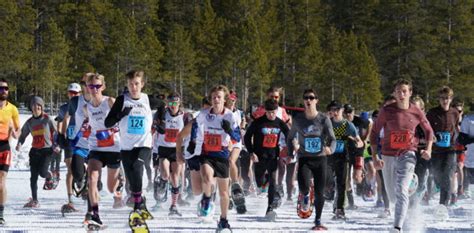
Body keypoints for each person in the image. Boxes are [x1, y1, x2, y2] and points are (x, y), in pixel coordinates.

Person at [370, 79, 434, 233]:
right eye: (398, 91)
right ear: (394, 93)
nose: (401, 94)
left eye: (404, 91)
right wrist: (374, 157)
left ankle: (397, 227)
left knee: (401, 190)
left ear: (410, 93)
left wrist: (429, 149)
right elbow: (374, 133)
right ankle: (411, 183)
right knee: (393, 197)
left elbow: (429, 131)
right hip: (388, 155)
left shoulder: (415, 111)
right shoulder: (387, 111)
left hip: (408, 153)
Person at [104, 70, 164, 228]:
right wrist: (120, 115)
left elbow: (163, 104)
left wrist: (161, 122)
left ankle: (137, 209)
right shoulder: (121, 100)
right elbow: (107, 123)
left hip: (144, 145)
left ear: (142, 84)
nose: (133, 87)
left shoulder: (147, 99)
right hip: (126, 147)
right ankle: (141, 204)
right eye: (130, 84)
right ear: (127, 85)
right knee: (131, 181)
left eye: (136, 83)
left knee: (138, 167)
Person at [287, 89, 336, 231]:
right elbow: (290, 137)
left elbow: (332, 138)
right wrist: (291, 153)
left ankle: (318, 220)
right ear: (303, 101)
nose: (308, 100)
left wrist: (330, 149)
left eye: (311, 98)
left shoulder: (323, 119)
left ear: (316, 100)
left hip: (320, 158)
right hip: (304, 158)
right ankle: (306, 195)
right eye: (306, 98)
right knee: (303, 186)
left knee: (321, 192)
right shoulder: (298, 119)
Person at [194, 85, 241, 231]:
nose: (216, 100)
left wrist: (229, 130)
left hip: (222, 155)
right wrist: (192, 141)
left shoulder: (230, 116)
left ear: (224, 99)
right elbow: (196, 124)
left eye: (219, 97)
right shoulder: (204, 113)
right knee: (207, 178)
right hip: (207, 154)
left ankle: (223, 220)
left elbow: (238, 137)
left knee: (223, 192)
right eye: (213, 97)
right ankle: (207, 199)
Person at [83, 74, 123, 228]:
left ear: (103, 87)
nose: (94, 89)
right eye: (91, 86)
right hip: (96, 147)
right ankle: (95, 214)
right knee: (92, 178)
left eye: (97, 86)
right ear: (87, 87)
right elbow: (88, 126)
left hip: (113, 147)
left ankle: (119, 185)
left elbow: (121, 121)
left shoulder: (110, 101)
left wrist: (112, 130)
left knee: (110, 187)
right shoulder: (87, 108)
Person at [244, 99, 289, 219]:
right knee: (260, 182)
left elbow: (289, 135)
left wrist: (289, 150)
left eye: (273, 112)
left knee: (273, 181)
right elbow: (247, 137)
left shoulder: (280, 123)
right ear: (265, 111)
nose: (271, 115)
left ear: (276, 111)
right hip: (259, 156)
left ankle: (270, 208)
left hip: (273, 156)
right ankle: (266, 181)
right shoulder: (258, 122)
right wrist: (251, 152)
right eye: (268, 112)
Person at [154, 93, 192, 215]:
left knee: (175, 177)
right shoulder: (162, 114)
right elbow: (154, 130)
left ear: (179, 103)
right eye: (170, 103)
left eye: (175, 103)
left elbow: (189, 134)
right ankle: (162, 185)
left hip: (177, 149)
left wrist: (188, 149)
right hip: (164, 148)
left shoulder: (185, 116)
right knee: (165, 174)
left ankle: (173, 205)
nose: (173, 106)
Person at [16, 96, 56, 208]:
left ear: (42, 107)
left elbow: (57, 133)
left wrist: (57, 145)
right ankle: (35, 200)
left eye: (38, 105)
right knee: (33, 177)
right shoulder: (29, 122)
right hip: (34, 151)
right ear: (31, 108)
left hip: (46, 150)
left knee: (42, 173)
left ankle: (49, 175)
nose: (36, 107)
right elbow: (23, 135)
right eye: (34, 105)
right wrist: (19, 143)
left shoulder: (48, 119)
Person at [326, 101, 363, 219]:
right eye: (333, 110)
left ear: (342, 110)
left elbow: (360, 141)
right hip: (329, 157)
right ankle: (335, 203)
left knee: (341, 184)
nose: (335, 113)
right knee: (330, 182)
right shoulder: (328, 124)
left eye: (337, 110)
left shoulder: (348, 125)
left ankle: (340, 209)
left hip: (343, 157)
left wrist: (358, 143)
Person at [426, 86, 460, 208]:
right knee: (437, 176)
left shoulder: (455, 113)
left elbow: (456, 128)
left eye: (447, 98)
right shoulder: (432, 113)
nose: (444, 101)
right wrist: (432, 137)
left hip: (450, 149)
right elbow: (426, 129)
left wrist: (457, 140)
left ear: (451, 99)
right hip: (435, 150)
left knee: (447, 176)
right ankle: (439, 188)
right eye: (442, 98)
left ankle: (443, 206)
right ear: (439, 99)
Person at [0, 78, 20, 224]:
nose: (4, 91)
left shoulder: (12, 109)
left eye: (6, 88)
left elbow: (18, 131)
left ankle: (0, 214)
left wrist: (14, 131)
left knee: (1, 182)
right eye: (1, 88)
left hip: (4, 147)